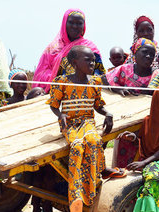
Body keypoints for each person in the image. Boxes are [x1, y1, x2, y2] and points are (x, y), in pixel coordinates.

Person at [48, 45, 113, 212]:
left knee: (94, 140)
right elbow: (54, 105)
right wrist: (60, 115)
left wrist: (107, 114)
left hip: (87, 122)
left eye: (93, 60)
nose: (92, 63)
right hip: (70, 123)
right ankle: (75, 194)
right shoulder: (61, 82)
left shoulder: (94, 82)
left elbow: (98, 106)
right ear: (75, 62)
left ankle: (90, 190)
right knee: (77, 146)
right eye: (88, 60)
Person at [120, 83, 159, 211]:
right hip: (150, 162)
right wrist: (133, 137)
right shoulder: (147, 121)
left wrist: (143, 162)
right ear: (157, 100)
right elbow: (143, 138)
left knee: (152, 177)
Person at [33, 9, 106, 93]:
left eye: (79, 23)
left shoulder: (90, 47)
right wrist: (58, 79)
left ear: (84, 26)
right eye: (71, 22)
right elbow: (41, 72)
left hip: (86, 92)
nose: (75, 26)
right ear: (64, 24)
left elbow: (99, 71)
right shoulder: (53, 48)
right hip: (57, 92)